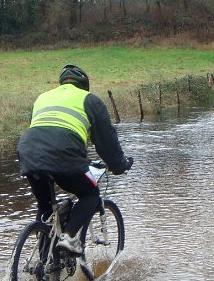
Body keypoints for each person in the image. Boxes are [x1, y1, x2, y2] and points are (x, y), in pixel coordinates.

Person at [17, 64, 133, 255]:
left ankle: (43, 250)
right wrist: (119, 165)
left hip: (28, 152)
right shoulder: (89, 100)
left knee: (45, 204)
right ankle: (70, 237)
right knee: (90, 194)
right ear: (84, 85)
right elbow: (106, 142)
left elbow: (44, 130)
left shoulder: (42, 97)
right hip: (63, 153)